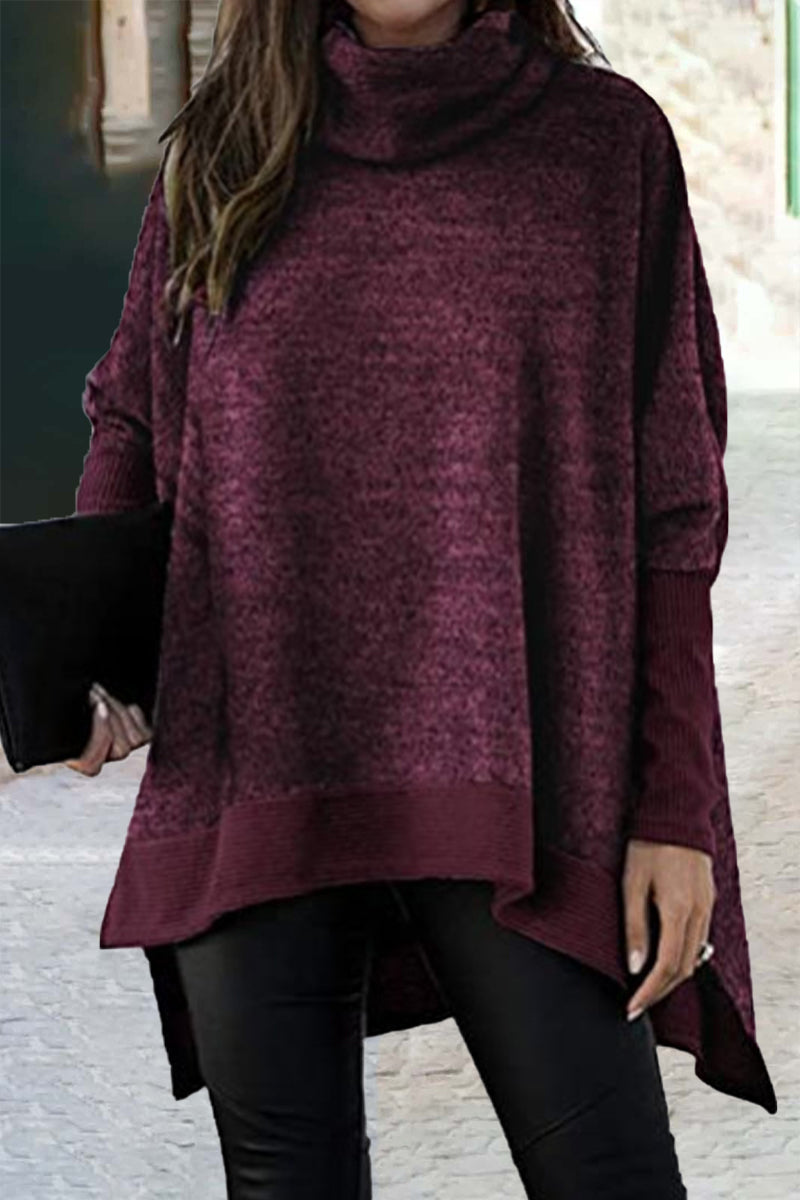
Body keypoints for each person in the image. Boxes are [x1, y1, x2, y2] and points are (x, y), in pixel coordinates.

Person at [66, 1, 777, 1197]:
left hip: (526, 766)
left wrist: (675, 808)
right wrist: (80, 659)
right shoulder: (223, 149)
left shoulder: (602, 147)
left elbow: (672, 509)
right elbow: (133, 420)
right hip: (256, 758)